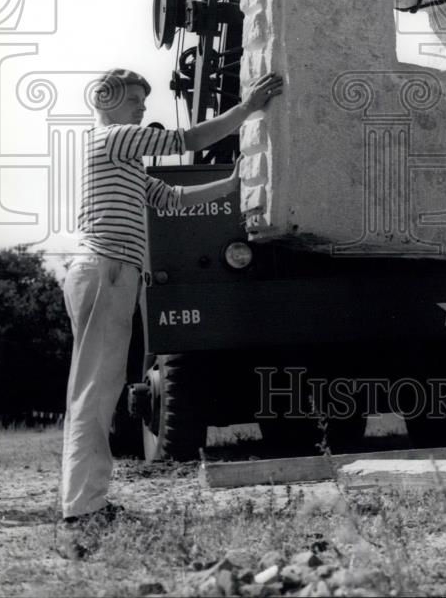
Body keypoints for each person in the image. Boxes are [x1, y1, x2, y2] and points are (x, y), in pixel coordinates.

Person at [59, 66, 282, 554]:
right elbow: (186, 137)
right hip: (107, 269)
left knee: (100, 389)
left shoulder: (127, 161)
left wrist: (231, 183)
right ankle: (82, 510)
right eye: (136, 98)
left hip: (110, 273)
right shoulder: (115, 137)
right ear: (107, 100)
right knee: (95, 392)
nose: (143, 108)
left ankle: (85, 504)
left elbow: (171, 198)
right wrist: (247, 110)